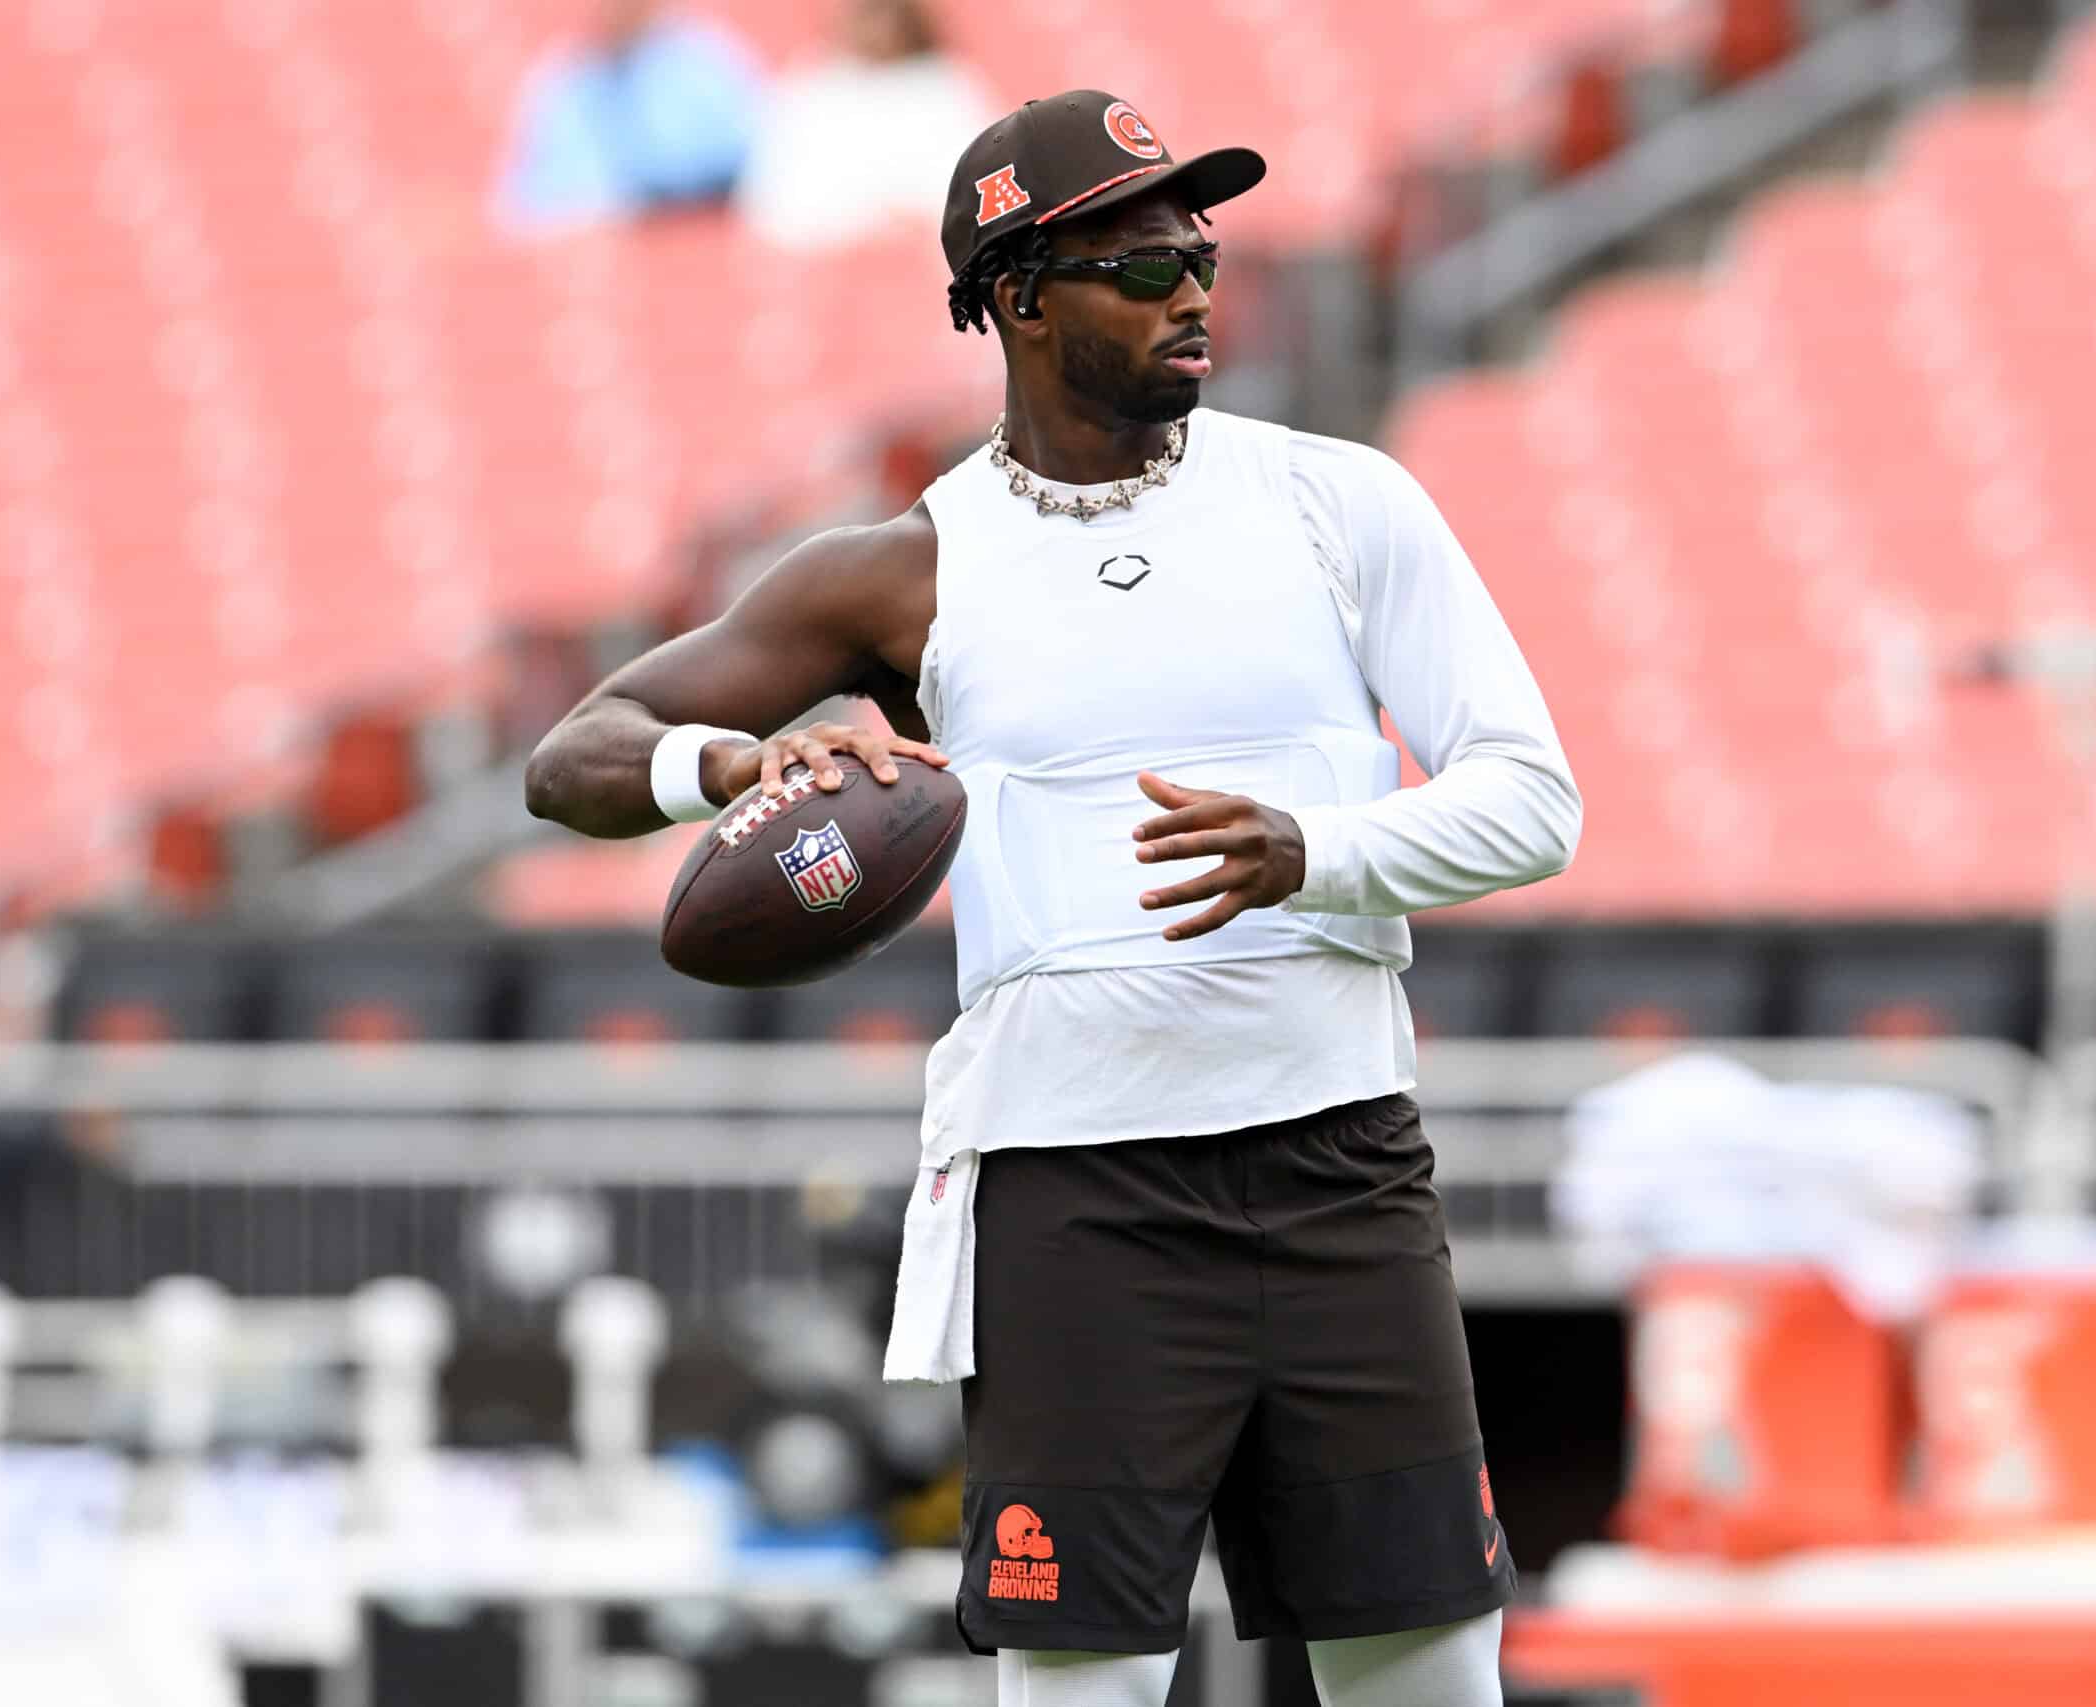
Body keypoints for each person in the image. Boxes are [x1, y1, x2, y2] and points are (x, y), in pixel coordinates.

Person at [524, 90, 1582, 1707]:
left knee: (1428, 1681)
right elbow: (574, 753)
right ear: (1019, 293)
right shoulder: (908, 568)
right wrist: (730, 772)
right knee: (1082, 1685)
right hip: (1075, 1200)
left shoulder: (1338, 503)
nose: (1193, 292)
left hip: (1342, 1168)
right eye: (1143, 262)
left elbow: (1534, 798)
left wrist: (1319, 849)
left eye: (1202, 254)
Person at [740, 0, 996, 250]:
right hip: (830, 258)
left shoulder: (948, 86)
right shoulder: (813, 88)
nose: (878, 25)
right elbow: (776, 209)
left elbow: (983, 189)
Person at [496, 0, 765, 231]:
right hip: (601, 266)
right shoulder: (565, 84)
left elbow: (757, 175)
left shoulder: (707, 62)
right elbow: (529, 210)